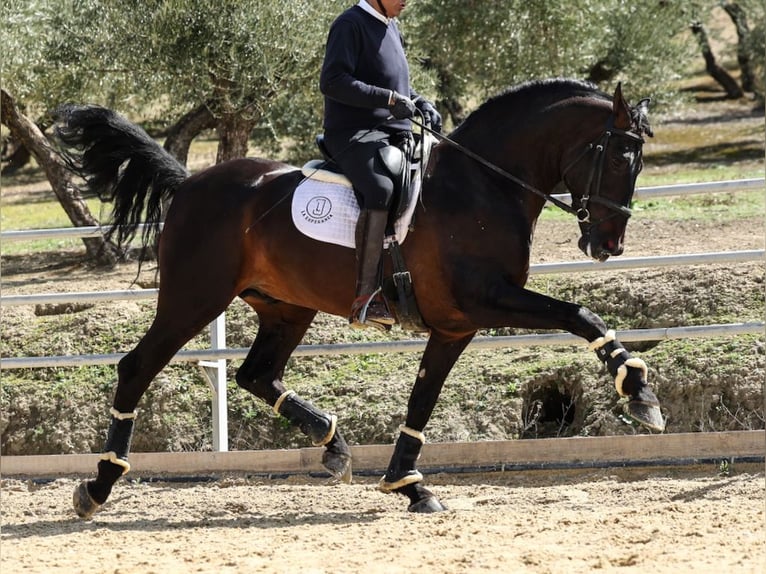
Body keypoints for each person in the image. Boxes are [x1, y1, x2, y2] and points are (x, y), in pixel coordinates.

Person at [319, 0, 442, 330]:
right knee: (380, 187)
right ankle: (366, 298)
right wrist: (388, 100)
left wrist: (419, 102)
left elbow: (396, 84)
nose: (407, 1)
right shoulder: (350, 24)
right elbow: (332, 81)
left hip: (392, 134)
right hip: (353, 133)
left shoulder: (391, 25)